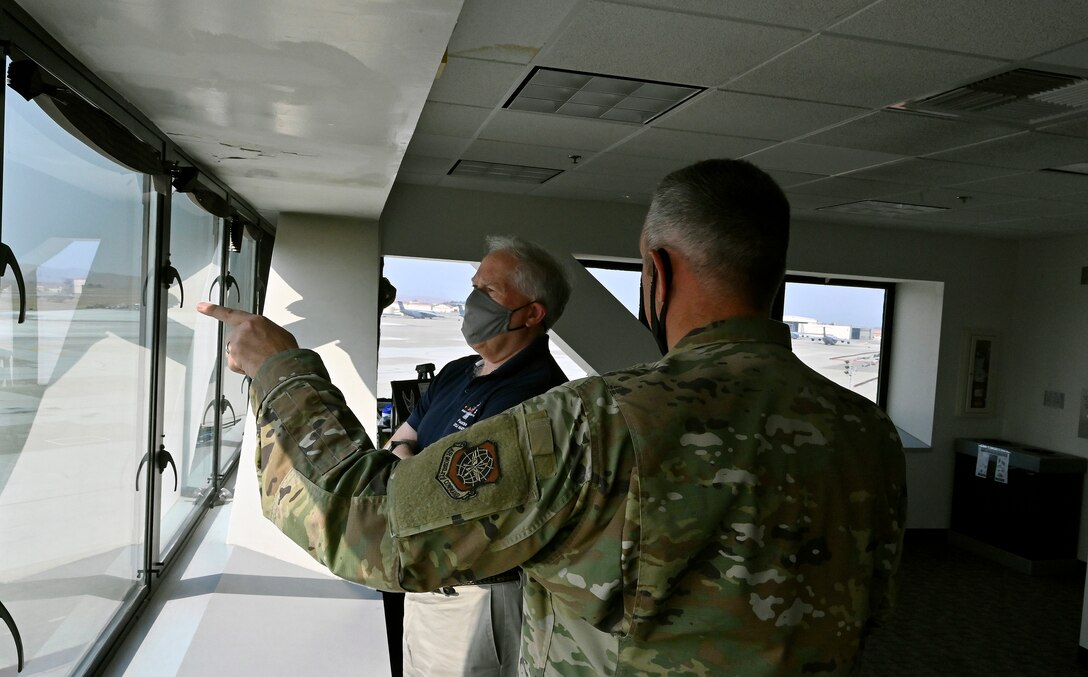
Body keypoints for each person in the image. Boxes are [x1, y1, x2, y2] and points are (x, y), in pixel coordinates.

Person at [198, 158, 907, 676]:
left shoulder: (600, 421)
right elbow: (868, 607)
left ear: (658, 271)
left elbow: (369, 525)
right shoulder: (868, 433)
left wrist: (280, 369)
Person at [385, 235, 572, 677]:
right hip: (428, 588)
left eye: (488, 292)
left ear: (532, 312)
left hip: (478, 599)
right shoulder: (454, 373)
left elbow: (457, 506)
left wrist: (407, 465)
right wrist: (408, 461)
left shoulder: (539, 397)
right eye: (474, 286)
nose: (471, 301)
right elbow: (400, 439)